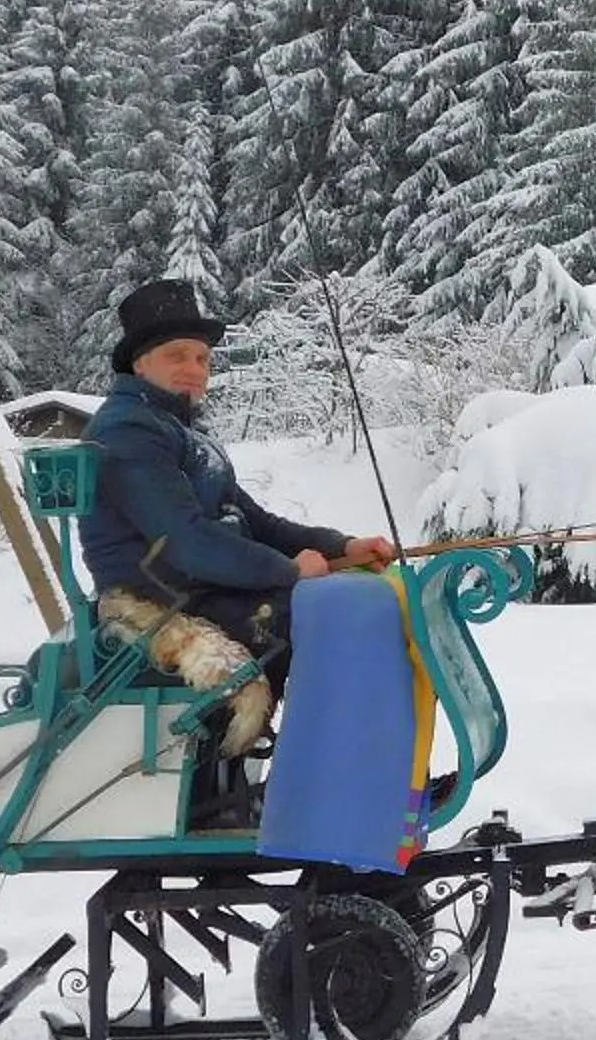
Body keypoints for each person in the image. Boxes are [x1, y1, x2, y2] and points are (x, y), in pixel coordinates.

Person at [79, 279, 396, 756]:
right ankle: (328, 769)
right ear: (139, 362)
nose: (194, 369)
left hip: (197, 589)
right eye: (177, 356)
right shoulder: (128, 430)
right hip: (156, 600)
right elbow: (185, 542)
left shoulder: (182, 431)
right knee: (323, 615)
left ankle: (350, 767)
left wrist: (341, 548)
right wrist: (289, 572)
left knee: (343, 601)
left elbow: (255, 520)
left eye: (202, 359)